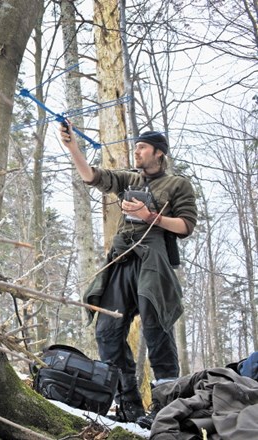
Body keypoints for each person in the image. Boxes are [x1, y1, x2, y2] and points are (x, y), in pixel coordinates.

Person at [59, 122, 198, 423]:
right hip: (122, 258)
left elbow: (186, 226)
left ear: (159, 153)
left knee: (155, 326)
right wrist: (73, 149)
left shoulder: (177, 185)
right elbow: (92, 176)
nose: (136, 151)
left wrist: (150, 216)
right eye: (135, 147)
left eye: (142, 147)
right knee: (106, 330)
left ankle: (165, 407)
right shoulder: (129, 179)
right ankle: (128, 402)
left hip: (154, 260)